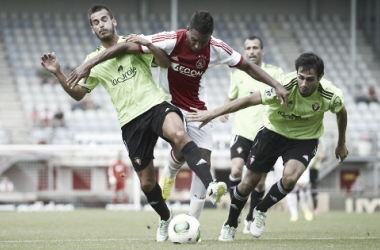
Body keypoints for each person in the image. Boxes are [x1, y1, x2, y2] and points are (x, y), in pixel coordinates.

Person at [67, 10, 290, 220]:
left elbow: (248, 67)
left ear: (210, 38)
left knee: (203, 159)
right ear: (187, 30)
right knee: (179, 142)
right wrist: (89, 63)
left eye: (202, 41)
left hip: (196, 108)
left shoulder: (217, 48)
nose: (196, 44)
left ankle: (192, 223)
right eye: (193, 39)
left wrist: (276, 84)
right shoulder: (171, 39)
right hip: (167, 102)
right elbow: (125, 47)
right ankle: (171, 171)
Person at [41, 4, 227, 242]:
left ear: (113, 21)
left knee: (179, 134)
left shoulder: (133, 41)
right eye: (96, 22)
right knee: (147, 183)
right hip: (130, 122)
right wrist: (57, 72)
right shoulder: (92, 60)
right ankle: (165, 217)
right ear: (92, 29)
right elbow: (78, 94)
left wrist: (149, 45)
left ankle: (210, 184)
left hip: (156, 105)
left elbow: (164, 63)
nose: (101, 25)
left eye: (104, 19)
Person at [187, 52, 348, 241]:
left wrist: (341, 143)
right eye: (301, 77)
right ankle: (230, 223)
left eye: (310, 79)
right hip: (272, 133)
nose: (304, 84)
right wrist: (212, 113)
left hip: (305, 138)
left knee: (290, 179)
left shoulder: (330, 94)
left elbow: (341, 112)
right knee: (248, 183)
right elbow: (247, 100)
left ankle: (260, 210)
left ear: (320, 78)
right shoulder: (284, 87)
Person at [218, 36, 284, 233]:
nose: (252, 51)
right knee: (237, 169)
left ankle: (250, 216)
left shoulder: (275, 73)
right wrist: (225, 108)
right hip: (242, 131)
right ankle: (235, 211)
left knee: (260, 180)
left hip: (265, 133)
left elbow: (282, 93)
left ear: (262, 51)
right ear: (244, 51)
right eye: (248, 48)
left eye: (256, 47)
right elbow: (231, 94)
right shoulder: (238, 73)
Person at [309, 138, 325, 214]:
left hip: (314, 168)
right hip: (304, 167)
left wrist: (315, 161)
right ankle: (297, 209)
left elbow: (321, 156)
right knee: (301, 186)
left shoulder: (320, 140)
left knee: (314, 187)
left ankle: (315, 208)